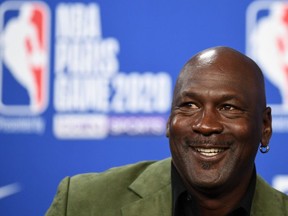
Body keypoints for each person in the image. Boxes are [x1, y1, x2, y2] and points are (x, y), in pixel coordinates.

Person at [45, 46, 288, 216]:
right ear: (170, 120)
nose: (205, 125)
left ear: (265, 126)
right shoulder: (81, 202)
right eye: (189, 105)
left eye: (228, 107)